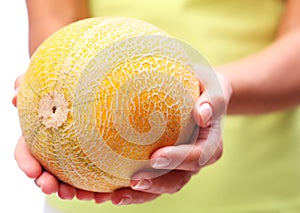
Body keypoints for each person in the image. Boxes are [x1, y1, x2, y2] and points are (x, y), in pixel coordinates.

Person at [13, 0, 300, 212]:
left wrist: (203, 95)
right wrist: (51, 90)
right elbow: (54, 23)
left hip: (260, 192)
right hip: (86, 199)